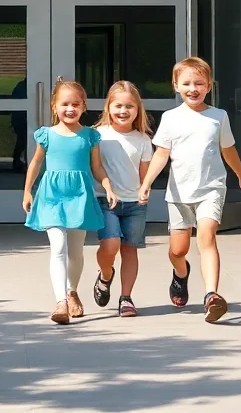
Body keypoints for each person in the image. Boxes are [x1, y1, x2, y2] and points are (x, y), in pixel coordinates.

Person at [139, 57, 241, 323]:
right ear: (176, 85)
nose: (193, 88)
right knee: (177, 251)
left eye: (199, 83)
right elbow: (161, 154)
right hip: (179, 194)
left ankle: (212, 295)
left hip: (211, 188)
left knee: (206, 237)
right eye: (187, 83)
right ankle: (181, 273)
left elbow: (228, 150)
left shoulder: (218, 116)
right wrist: (145, 184)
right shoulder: (170, 118)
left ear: (209, 86)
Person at [23, 78, 118, 325]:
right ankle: (60, 302)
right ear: (54, 106)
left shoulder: (90, 136)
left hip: (80, 196)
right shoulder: (46, 135)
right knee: (58, 247)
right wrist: (27, 191)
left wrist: (107, 186)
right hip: (52, 196)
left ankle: (71, 290)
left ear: (84, 107)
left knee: (75, 250)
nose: (70, 109)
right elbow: (35, 163)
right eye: (65, 103)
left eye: (76, 104)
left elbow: (96, 167)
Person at [90, 81, 153, 318]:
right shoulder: (97, 136)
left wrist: (145, 190)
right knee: (110, 244)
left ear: (138, 109)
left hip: (135, 204)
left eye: (129, 106)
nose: (123, 111)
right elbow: (94, 166)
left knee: (130, 250)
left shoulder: (143, 140)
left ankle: (126, 297)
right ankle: (106, 275)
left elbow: (144, 173)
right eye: (118, 106)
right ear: (108, 107)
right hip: (105, 201)